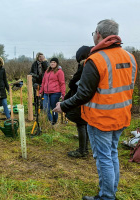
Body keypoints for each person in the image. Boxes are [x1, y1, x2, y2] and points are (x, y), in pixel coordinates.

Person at [53, 19, 138, 200]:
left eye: (93, 33)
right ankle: (110, 192)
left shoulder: (96, 60)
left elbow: (83, 94)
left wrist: (63, 105)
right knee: (112, 153)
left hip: (101, 119)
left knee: (104, 158)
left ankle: (106, 196)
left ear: (98, 34)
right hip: (121, 117)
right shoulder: (130, 57)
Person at [64, 46, 92, 158]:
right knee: (86, 123)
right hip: (89, 99)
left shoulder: (84, 65)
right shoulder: (93, 64)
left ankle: (82, 150)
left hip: (80, 98)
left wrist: (72, 83)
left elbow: (73, 82)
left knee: (81, 124)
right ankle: (86, 147)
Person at [40, 57, 65, 125]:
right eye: (51, 62)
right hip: (46, 93)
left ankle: (54, 122)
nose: (52, 63)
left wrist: (63, 94)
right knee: (46, 108)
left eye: (54, 62)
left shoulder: (59, 72)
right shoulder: (47, 71)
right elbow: (43, 82)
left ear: (56, 64)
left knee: (54, 109)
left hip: (55, 93)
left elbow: (62, 83)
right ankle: (50, 122)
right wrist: (41, 91)